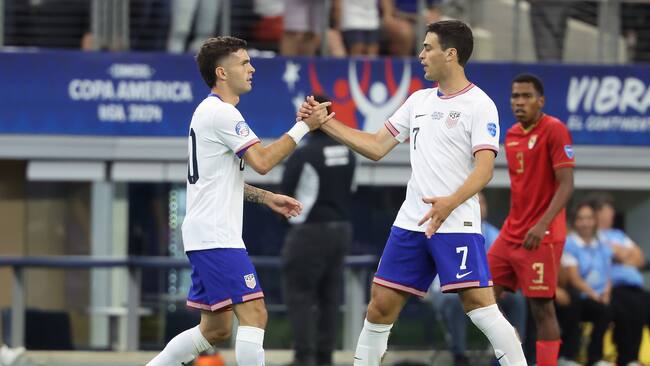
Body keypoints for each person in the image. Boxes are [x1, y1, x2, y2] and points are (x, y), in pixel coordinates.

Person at [299, 20, 527, 366]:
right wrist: (325, 122)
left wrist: (450, 202)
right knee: (380, 305)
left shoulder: (480, 105)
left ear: (450, 54)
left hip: (454, 223)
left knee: (480, 308)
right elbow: (376, 146)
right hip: (411, 222)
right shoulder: (418, 100)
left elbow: (484, 169)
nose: (420, 55)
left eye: (427, 47)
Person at [146, 36, 333, 366]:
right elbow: (262, 161)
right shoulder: (222, 113)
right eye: (244, 63)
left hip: (207, 233)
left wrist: (266, 197)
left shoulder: (209, 111)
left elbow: (224, 179)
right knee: (255, 313)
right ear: (222, 72)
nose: (252, 68)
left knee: (215, 329)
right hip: (217, 235)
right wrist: (304, 126)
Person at [487, 73, 574, 366]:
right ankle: (512, 350)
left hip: (542, 236)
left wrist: (543, 223)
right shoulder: (510, 135)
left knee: (542, 309)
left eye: (526, 96)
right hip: (512, 232)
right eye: (515, 96)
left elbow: (566, 184)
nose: (519, 102)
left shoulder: (555, 130)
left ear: (541, 101)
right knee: (480, 296)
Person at [280, 96, 356, 366]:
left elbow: (285, 194)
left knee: (299, 295)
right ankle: (325, 358)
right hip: (341, 231)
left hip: (309, 231)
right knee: (330, 297)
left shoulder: (304, 153)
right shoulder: (348, 152)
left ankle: (304, 358)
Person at [431, 192, 527, 366]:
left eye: (481, 203)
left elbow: (502, 269)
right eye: (473, 202)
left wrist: (497, 287)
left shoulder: (496, 234)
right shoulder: (448, 230)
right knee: (455, 301)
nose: (478, 207)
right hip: (449, 288)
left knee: (517, 300)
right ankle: (459, 354)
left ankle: (511, 353)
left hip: (488, 288)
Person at [590, 192, 647, 366]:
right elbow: (614, 254)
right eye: (608, 210)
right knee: (625, 307)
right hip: (612, 288)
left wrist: (623, 255)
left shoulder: (618, 235)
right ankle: (626, 358)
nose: (612, 214)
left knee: (642, 304)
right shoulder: (593, 236)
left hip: (635, 288)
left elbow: (640, 258)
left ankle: (633, 357)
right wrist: (625, 255)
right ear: (597, 213)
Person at [556, 201, 613, 366]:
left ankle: (596, 358)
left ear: (594, 221)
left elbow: (607, 274)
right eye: (581, 218)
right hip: (579, 293)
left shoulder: (602, 244)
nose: (585, 222)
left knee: (610, 308)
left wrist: (606, 294)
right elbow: (574, 279)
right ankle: (566, 357)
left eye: (588, 218)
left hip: (600, 294)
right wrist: (595, 295)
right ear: (574, 222)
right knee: (575, 305)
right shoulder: (570, 243)